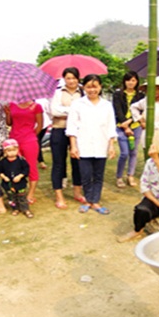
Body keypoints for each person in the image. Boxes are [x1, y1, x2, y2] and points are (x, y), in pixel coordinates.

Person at [66, 74, 116, 215]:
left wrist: (111, 146)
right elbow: (72, 127)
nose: (92, 90)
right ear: (84, 87)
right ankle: (88, 200)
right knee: (86, 175)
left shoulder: (107, 105)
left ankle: (95, 201)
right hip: (83, 144)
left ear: (100, 87)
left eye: (95, 87)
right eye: (89, 87)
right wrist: (73, 146)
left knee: (98, 175)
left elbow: (111, 127)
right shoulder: (78, 104)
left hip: (101, 144)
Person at [49, 67, 85, 209]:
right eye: (68, 78)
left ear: (78, 78)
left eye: (74, 78)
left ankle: (77, 192)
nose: (71, 81)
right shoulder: (57, 92)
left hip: (78, 132)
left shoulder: (83, 92)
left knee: (77, 161)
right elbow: (53, 111)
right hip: (59, 129)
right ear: (64, 79)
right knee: (58, 163)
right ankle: (59, 196)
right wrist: (74, 112)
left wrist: (65, 111)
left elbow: (85, 111)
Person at [112, 71, 145, 188]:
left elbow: (140, 111)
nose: (130, 83)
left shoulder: (141, 96)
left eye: (133, 80)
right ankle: (119, 176)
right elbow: (117, 110)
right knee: (124, 153)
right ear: (124, 81)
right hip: (121, 126)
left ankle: (130, 175)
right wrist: (125, 125)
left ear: (136, 82)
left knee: (133, 152)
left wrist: (130, 122)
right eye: (128, 80)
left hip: (135, 126)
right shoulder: (117, 94)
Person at [6, 99, 43, 204]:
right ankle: (16, 191)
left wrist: (31, 136)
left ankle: (31, 193)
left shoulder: (36, 106)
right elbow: (9, 123)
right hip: (14, 139)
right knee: (14, 166)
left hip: (29, 140)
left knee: (31, 167)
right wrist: (8, 113)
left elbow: (40, 125)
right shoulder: (12, 104)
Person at [0, 139, 33, 218]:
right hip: (8, 185)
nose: (12, 152)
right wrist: (4, 177)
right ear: (5, 152)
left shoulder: (21, 160)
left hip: (20, 184)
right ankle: (15, 208)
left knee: (22, 197)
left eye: (14, 150)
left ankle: (25, 209)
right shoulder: (2, 162)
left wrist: (20, 176)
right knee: (11, 198)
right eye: (9, 151)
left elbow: (26, 169)